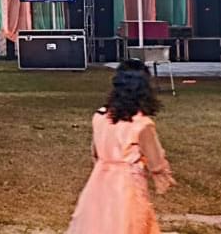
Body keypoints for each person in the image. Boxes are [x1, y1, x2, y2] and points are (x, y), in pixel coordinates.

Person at [67, 59, 175, 234]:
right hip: (127, 186)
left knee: (99, 225)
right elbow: (156, 163)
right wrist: (161, 173)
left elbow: (95, 152)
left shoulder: (100, 116)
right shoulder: (141, 124)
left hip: (99, 182)